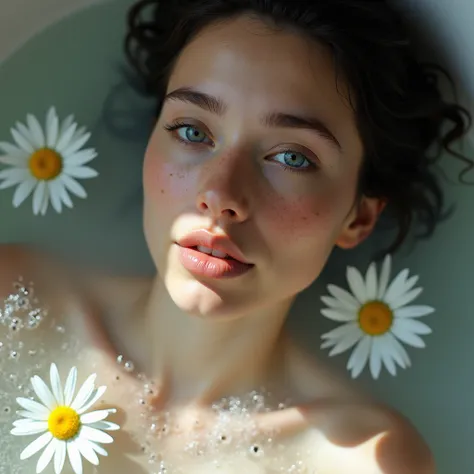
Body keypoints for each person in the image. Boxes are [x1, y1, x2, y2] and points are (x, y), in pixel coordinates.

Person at [1, 0, 471, 473]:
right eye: (191, 130)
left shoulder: (363, 459)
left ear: (359, 217)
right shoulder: (11, 299)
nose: (220, 193)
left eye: (292, 158)